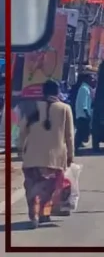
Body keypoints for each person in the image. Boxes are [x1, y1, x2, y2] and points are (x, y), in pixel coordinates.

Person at [17, 80, 74, 227]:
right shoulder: (65, 108)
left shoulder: (32, 107)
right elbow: (69, 135)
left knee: (32, 186)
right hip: (54, 159)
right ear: (57, 92)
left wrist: (20, 149)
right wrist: (70, 156)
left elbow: (22, 130)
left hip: (32, 157)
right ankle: (44, 214)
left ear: (43, 92)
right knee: (49, 189)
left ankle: (34, 215)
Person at [71, 73, 94, 151]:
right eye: (91, 78)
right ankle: (73, 149)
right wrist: (87, 114)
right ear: (86, 79)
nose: (92, 80)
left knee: (81, 133)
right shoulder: (84, 89)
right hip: (83, 115)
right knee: (81, 133)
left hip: (83, 114)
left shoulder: (86, 88)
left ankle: (75, 148)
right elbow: (84, 104)